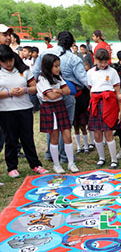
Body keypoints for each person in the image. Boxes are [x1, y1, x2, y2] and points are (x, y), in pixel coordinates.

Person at [33, 31, 88, 164]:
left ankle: (50, 154)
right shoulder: (73, 58)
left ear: (57, 40)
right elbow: (84, 79)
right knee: (65, 126)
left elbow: (35, 73)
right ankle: (63, 155)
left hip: (47, 93)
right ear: (72, 43)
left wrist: (41, 89)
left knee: (51, 126)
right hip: (65, 93)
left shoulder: (44, 53)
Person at [0, 45, 48, 178]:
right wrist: (9, 93)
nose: (9, 64)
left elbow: (34, 87)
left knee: (27, 137)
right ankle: (12, 167)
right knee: (11, 139)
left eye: (10, 60)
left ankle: (35, 164)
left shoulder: (24, 70)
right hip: (6, 110)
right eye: (4, 62)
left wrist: (25, 90)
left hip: (25, 108)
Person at [36, 54, 78, 174]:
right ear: (48, 66)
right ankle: (56, 164)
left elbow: (68, 90)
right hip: (49, 108)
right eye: (55, 66)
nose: (58, 68)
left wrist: (58, 90)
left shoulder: (58, 77)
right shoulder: (42, 78)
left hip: (60, 105)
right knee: (54, 136)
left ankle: (71, 163)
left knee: (67, 134)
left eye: (59, 66)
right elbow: (51, 96)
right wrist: (59, 92)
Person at [87, 48, 121, 169]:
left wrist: (120, 109)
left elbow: (117, 91)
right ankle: (101, 158)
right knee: (97, 132)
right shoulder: (90, 72)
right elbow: (90, 89)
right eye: (101, 62)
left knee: (108, 131)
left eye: (105, 62)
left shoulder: (112, 72)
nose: (103, 65)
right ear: (95, 60)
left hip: (109, 102)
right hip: (96, 103)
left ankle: (113, 159)